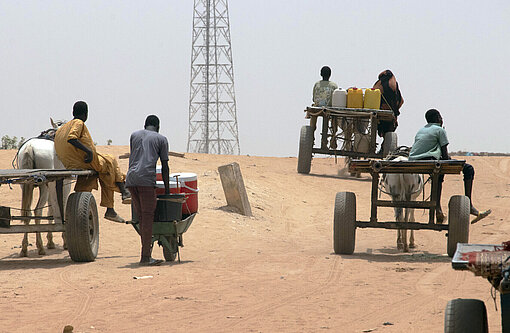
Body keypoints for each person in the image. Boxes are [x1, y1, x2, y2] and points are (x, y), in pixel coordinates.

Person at [409, 109, 491, 223]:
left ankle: (438, 208)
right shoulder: (439, 130)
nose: (442, 119)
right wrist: (450, 160)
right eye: (441, 117)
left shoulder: (421, 130)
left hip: (414, 160)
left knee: (439, 174)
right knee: (468, 169)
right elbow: (444, 154)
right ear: (438, 118)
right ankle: (469, 205)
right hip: (429, 160)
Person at [54, 101, 131, 223]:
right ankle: (122, 192)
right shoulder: (79, 123)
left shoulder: (61, 129)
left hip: (71, 163)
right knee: (110, 162)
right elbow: (72, 138)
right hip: (84, 160)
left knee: (94, 174)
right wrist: (89, 152)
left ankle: (119, 192)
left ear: (72, 112)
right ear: (86, 114)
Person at [126, 115, 170, 266]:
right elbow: (165, 166)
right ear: (158, 127)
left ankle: (145, 253)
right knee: (147, 217)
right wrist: (168, 190)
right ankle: (145, 257)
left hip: (131, 180)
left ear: (145, 125)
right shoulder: (161, 139)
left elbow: (136, 157)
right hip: (146, 180)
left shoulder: (134, 135)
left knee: (141, 216)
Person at [373, 70, 404, 151]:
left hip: (380, 114)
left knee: (378, 130)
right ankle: (383, 148)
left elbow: (373, 95)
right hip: (391, 115)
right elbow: (401, 101)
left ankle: (376, 147)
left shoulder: (380, 85)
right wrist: (395, 110)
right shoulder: (394, 86)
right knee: (388, 133)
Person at [310, 66, 339, 147]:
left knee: (313, 117)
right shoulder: (334, 85)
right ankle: (333, 137)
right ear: (330, 75)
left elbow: (313, 98)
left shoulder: (317, 84)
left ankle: (311, 137)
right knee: (334, 120)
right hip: (329, 109)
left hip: (317, 108)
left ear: (320, 74)